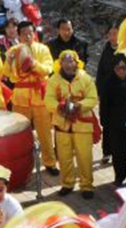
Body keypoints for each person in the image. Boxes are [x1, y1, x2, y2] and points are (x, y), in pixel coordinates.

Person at [4, 21, 57, 174]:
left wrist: (34, 64)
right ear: (18, 35)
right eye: (24, 33)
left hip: (41, 97)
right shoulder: (13, 50)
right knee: (19, 132)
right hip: (21, 98)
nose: (28, 36)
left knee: (45, 133)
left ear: (34, 33)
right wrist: (9, 61)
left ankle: (49, 162)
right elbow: (6, 73)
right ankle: (20, 163)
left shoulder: (43, 49)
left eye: (30, 33)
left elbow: (48, 68)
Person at [45, 50, 98, 198]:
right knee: (64, 157)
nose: (68, 64)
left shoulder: (86, 79)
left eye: (71, 61)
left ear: (77, 62)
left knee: (85, 157)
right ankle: (67, 183)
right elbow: (48, 100)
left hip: (83, 125)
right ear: (60, 63)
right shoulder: (53, 80)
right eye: (65, 61)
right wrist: (59, 107)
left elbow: (93, 98)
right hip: (62, 126)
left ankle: (86, 186)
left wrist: (78, 106)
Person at [96, 23, 126, 166]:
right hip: (109, 92)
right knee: (109, 125)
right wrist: (100, 91)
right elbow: (100, 72)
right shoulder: (106, 50)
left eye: (116, 33)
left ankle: (125, 151)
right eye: (111, 34)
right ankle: (107, 151)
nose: (113, 37)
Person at [101, 54, 126, 186]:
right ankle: (120, 177)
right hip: (115, 125)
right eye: (118, 68)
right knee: (118, 153)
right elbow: (104, 105)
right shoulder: (108, 83)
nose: (121, 71)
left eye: (124, 68)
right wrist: (105, 123)